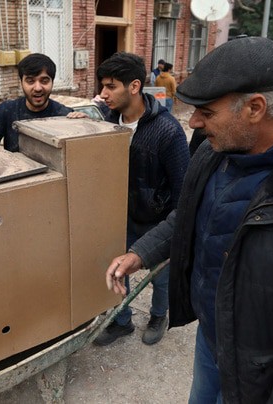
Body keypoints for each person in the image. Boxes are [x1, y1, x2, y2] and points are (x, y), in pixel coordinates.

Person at [104, 37, 273, 402]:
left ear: (255, 108)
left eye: (207, 112)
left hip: (264, 372)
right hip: (212, 340)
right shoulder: (214, 150)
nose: (195, 122)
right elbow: (187, 216)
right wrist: (140, 253)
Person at [93, 52, 190, 347]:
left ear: (134, 86)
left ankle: (158, 316)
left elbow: (183, 190)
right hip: (120, 215)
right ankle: (122, 321)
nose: (103, 94)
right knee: (117, 268)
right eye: (103, 86)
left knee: (160, 277)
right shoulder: (107, 120)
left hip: (157, 220)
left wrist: (172, 232)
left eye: (111, 87)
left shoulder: (168, 131)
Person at [0, 53, 79, 155]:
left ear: (52, 82)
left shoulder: (65, 115)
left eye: (44, 81)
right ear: (21, 83)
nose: (38, 88)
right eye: (30, 81)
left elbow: (79, 153)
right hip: (18, 170)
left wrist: (84, 125)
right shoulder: (7, 110)